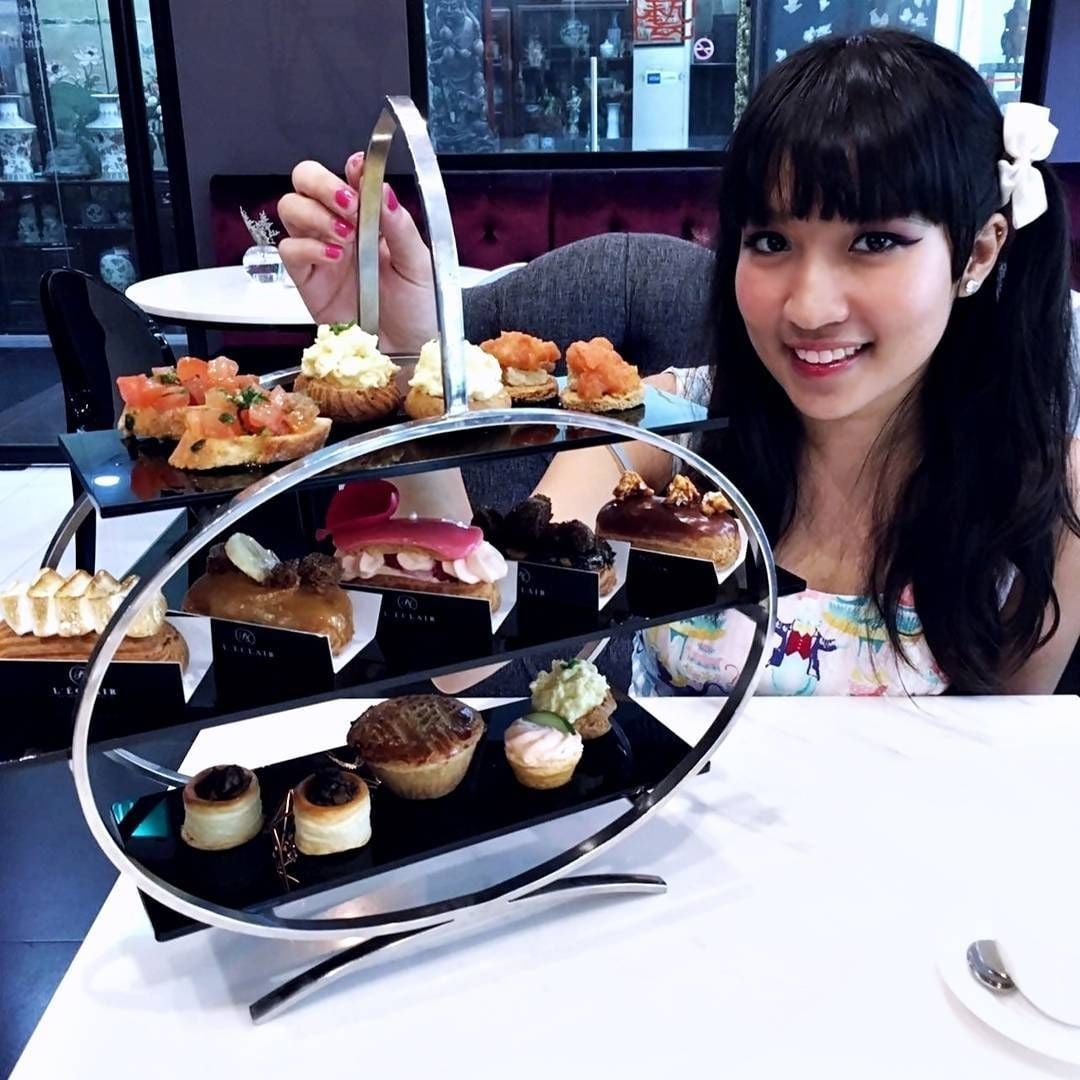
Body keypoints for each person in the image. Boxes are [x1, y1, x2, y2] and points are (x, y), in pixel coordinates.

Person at [279, 30, 1080, 696]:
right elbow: (471, 658)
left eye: (874, 241)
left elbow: (1009, 763)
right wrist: (410, 358)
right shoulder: (664, 429)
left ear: (978, 253)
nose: (809, 306)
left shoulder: (1047, 492)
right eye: (771, 241)